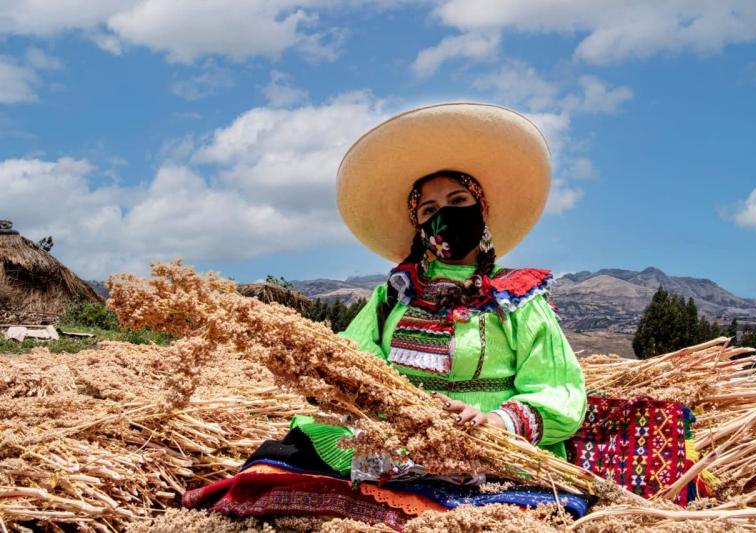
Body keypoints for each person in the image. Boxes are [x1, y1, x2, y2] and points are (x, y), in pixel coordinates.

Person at [182, 103, 597, 528]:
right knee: (277, 468)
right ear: (419, 227)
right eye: (430, 210)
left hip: (484, 445)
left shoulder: (517, 297)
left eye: (458, 201)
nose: (445, 216)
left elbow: (557, 386)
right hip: (395, 442)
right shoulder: (392, 295)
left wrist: (496, 421)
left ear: (482, 210)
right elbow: (353, 364)